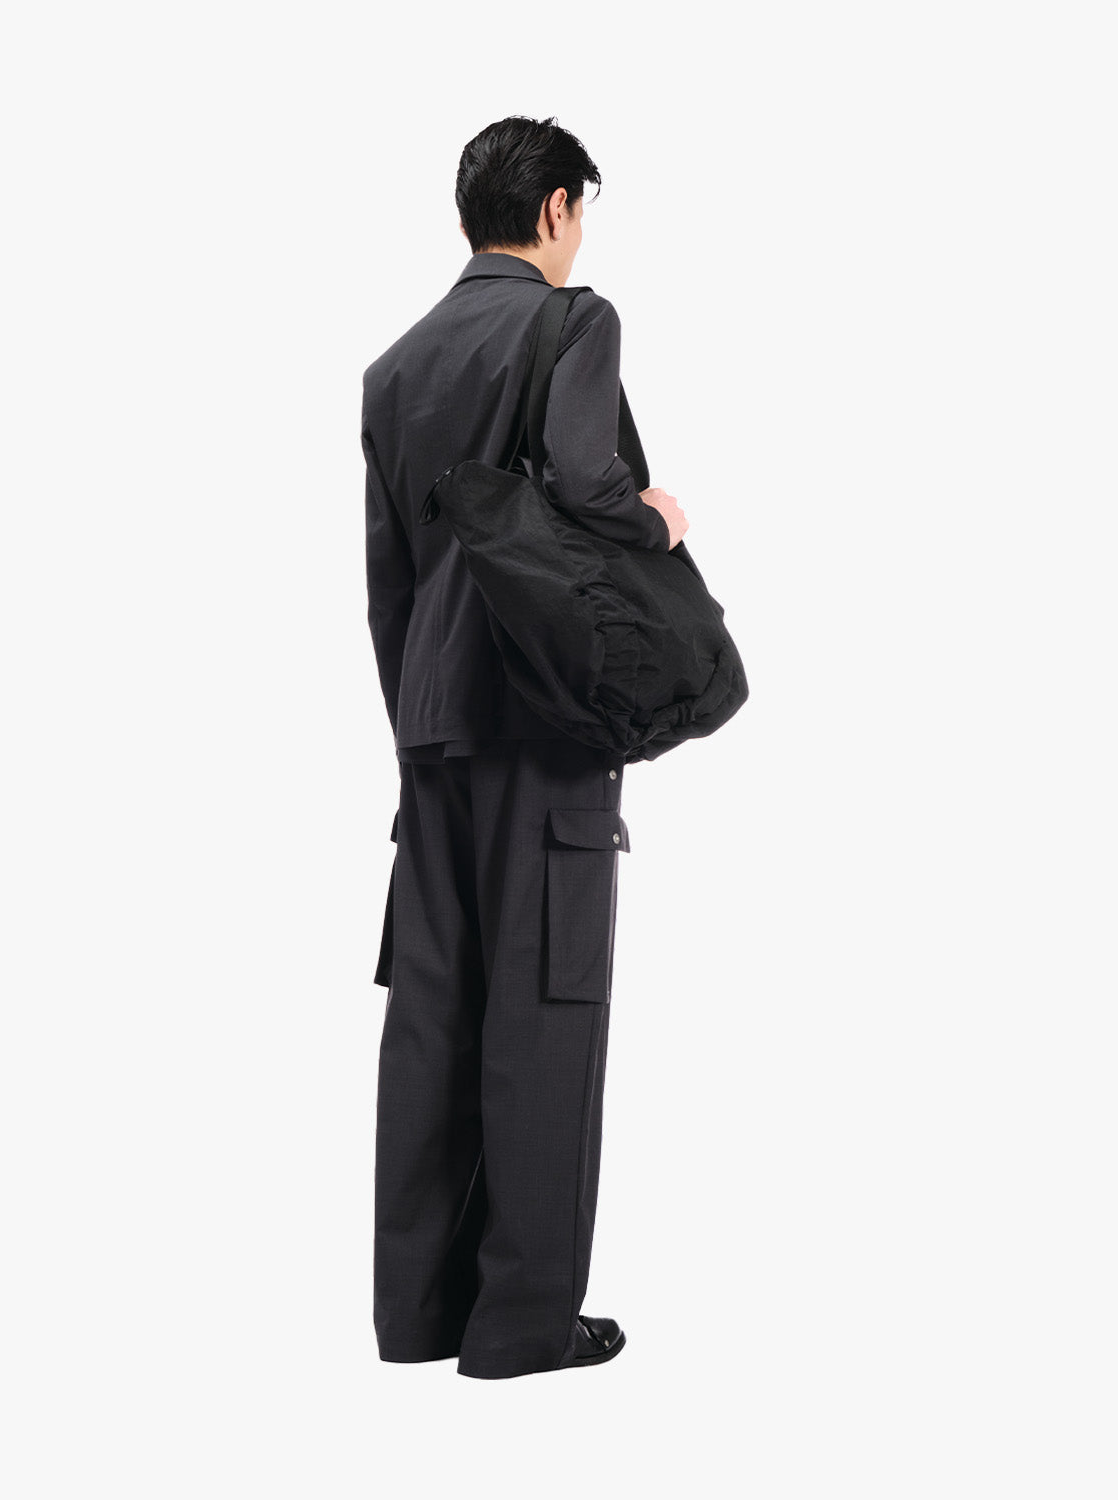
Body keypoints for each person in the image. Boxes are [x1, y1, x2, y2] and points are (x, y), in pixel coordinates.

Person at [360, 115, 688, 1380]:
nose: (580, 235)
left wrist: (414, 730)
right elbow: (585, 483)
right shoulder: (572, 322)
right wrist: (655, 520)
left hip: (430, 737)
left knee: (432, 1014)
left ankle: (417, 1317)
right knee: (549, 1009)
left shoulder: (393, 369)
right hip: (543, 733)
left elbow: (387, 586)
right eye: (580, 211)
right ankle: (521, 1326)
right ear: (555, 209)